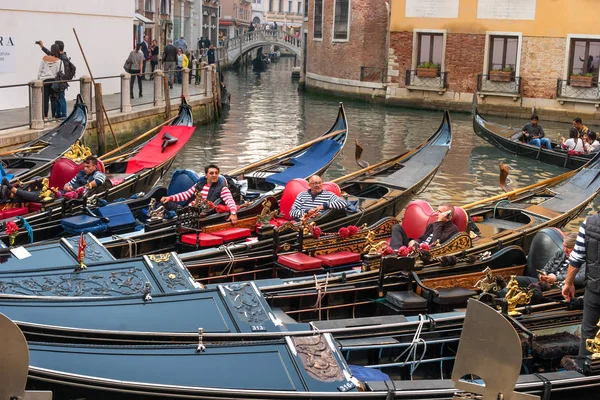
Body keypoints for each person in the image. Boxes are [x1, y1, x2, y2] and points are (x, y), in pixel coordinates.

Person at [562, 215, 600, 356]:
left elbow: (577, 257)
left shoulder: (588, 223)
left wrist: (568, 283)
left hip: (595, 290)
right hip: (594, 290)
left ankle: (584, 370)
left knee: (588, 333)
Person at [0, 156, 106, 204]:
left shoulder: (98, 174)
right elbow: (67, 184)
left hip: (74, 198)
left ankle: (12, 190)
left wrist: (81, 188)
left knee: (42, 197)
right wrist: (68, 187)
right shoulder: (81, 173)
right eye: (85, 166)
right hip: (64, 193)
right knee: (36, 181)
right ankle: (12, 194)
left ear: (95, 167)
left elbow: (98, 181)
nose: (85, 169)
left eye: (88, 167)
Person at [160, 164, 238, 224]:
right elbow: (186, 195)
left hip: (201, 214)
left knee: (170, 213)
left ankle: (169, 216)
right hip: (188, 210)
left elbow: (230, 201)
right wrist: (169, 198)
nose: (214, 175)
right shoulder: (199, 184)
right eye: (211, 173)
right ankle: (168, 215)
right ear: (206, 175)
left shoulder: (222, 188)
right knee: (166, 202)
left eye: (216, 173)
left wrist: (233, 213)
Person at [389, 203, 459, 250]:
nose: (436, 214)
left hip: (426, 252)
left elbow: (436, 242)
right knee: (397, 227)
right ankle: (396, 252)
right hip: (417, 247)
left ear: (449, 216)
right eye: (437, 211)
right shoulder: (432, 225)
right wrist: (413, 241)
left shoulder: (453, 229)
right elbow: (422, 238)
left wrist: (439, 222)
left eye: (440, 212)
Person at [38, 40, 71, 118]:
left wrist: (39, 79)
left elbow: (40, 70)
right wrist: (42, 47)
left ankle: (47, 116)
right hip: (55, 81)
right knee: (54, 99)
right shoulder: (59, 60)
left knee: (46, 99)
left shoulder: (45, 59)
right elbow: (61, 71)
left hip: (46, 81)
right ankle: (54, 116)